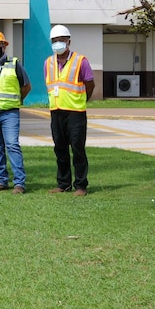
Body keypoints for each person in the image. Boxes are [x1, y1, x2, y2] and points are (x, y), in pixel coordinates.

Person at [0, 30, 32, 194]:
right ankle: (1, 181)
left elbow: (26, 86)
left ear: (4, 46)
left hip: (9, 113)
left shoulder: (14, 64)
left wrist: (16, 100)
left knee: (12, 146)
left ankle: (19, 183)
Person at [46, 24, 95, 196]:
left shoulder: (81, 61)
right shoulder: (48, 62)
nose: (58, 43)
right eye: (54, 41)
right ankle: (63, 183)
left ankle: (81, 185)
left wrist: (82, 100)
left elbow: (90, 84)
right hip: (56, 111)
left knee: (77, 148)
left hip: (75, 113)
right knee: (60, 149)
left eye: (61, 40)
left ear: (68, 41)